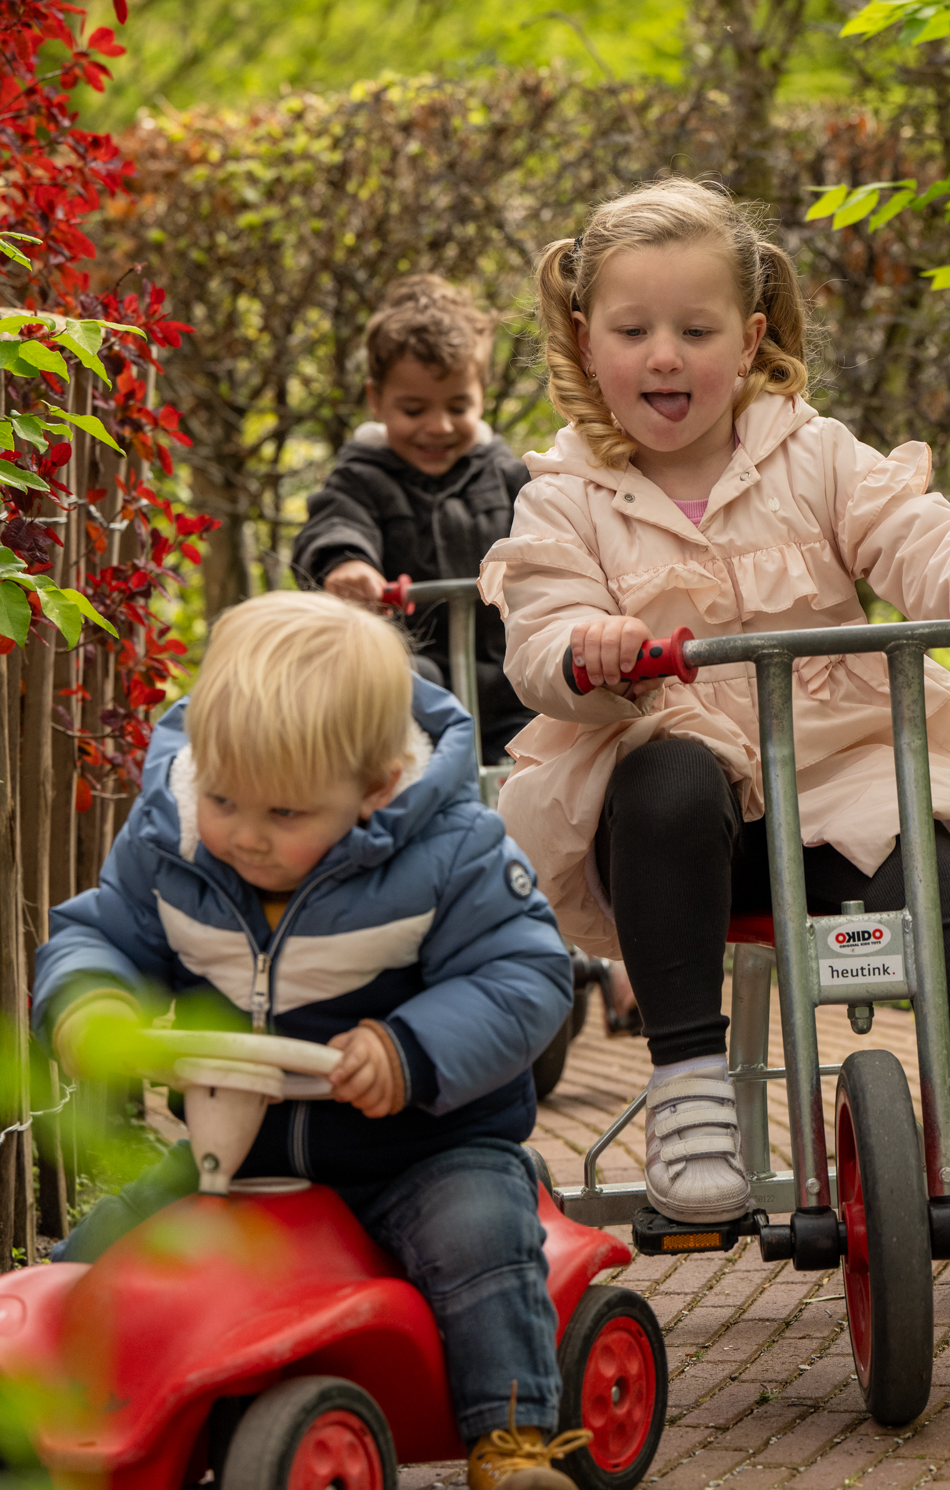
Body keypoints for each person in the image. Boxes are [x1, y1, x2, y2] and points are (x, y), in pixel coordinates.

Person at [480, 178, 950, 1232]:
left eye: (697, 328)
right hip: (677, 834)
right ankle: (688, 1090)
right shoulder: (565, 498)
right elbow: (541, 637)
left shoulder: (816, 456)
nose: (665, 355)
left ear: (751, 336)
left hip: (832, 784)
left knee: (922, 860)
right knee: (669, 769)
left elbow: (920, 533)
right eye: (633, 329)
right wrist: (586, 650)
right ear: (587, 341)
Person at [32, 591, 586, 1490]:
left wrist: (409, 1051)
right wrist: (90, 1004)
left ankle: (512, 1440)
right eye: (224, 798)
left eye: (284, 816)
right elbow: (102, 931)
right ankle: (48, 1406)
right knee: (105, 1246)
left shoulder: (452, 850)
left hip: (419, 1143)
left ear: (375, 789)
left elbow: (523, 977)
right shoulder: (173, 839)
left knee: (480, 1239)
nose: (245, 835)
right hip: (236, 1151)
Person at [292, 273, 534, 761]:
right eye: (414, 409)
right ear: (376, 400)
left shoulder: (511, 480)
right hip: (417, 683)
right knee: (392, 690)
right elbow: (336, 520)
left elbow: (557, 532)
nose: (438, 426)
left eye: (458, 406)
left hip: (508, 685)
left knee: (554, 727)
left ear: (482, 396)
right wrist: (347, 563)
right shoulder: (363, 478)